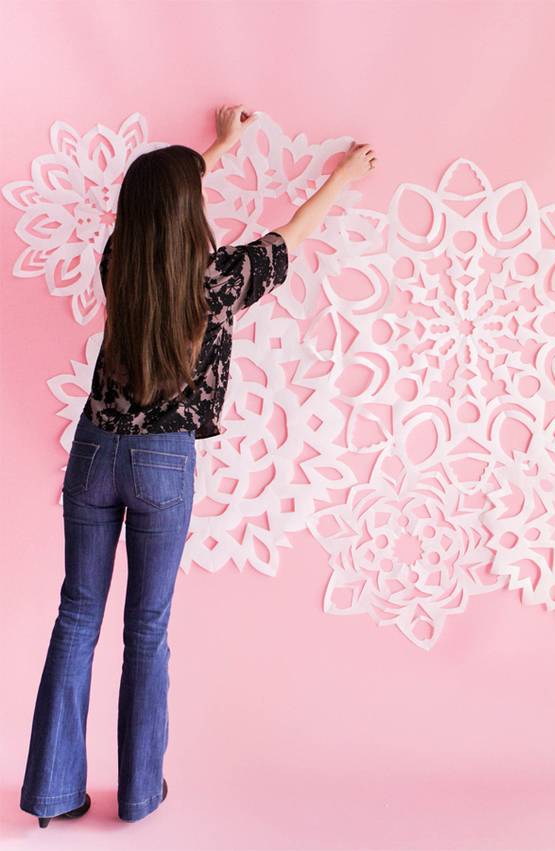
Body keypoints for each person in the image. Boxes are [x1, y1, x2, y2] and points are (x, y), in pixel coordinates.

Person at [19, 104, 376, 826]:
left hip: (95, 447)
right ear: (189, 209)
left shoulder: (118, 258)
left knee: (76, 615)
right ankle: (141, 795)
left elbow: (162, 202)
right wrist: (341, 176)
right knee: (145, 627)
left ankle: (52, 792)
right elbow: (290, 235)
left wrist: (218, 148)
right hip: (163, 460)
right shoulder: (220, 279)